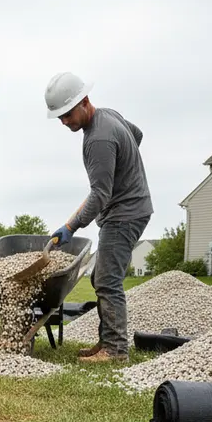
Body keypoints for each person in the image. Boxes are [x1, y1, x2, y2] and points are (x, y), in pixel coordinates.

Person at [45, 72, 153, 363]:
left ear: (84, 101)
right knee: (101, 276)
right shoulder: (109, 115)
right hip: (132, 207)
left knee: (107, 281)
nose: (64, 121)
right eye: (59, 117)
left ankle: (115, 350)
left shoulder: (98, 139)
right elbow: (137, 135)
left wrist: (71, 226)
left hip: (124, 213)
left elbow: (100, 196)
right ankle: (108, 341)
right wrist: (121, 168)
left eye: (67, 114)